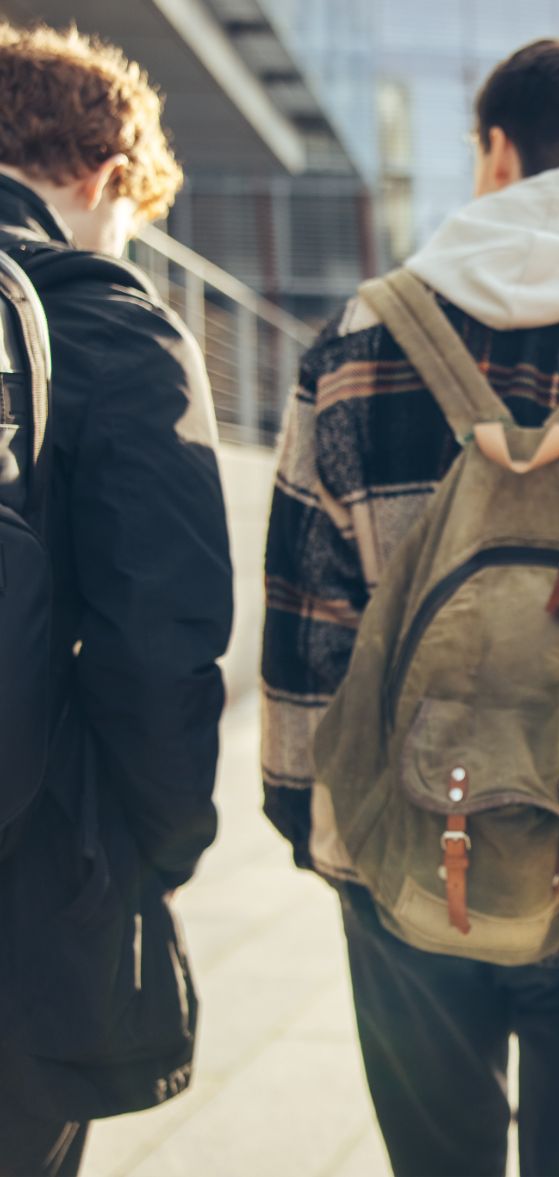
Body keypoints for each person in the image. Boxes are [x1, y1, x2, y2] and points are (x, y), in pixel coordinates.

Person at [261, 38, 559, 1177]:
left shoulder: (362, 336)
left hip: (404, 844)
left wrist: (305, 809)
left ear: (496, 151)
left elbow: (302, 602)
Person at [0, 21, 233, 1177]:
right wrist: (156, 853)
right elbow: (162, 639)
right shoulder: (101, 314)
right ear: (104, 179)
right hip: (31, 882)